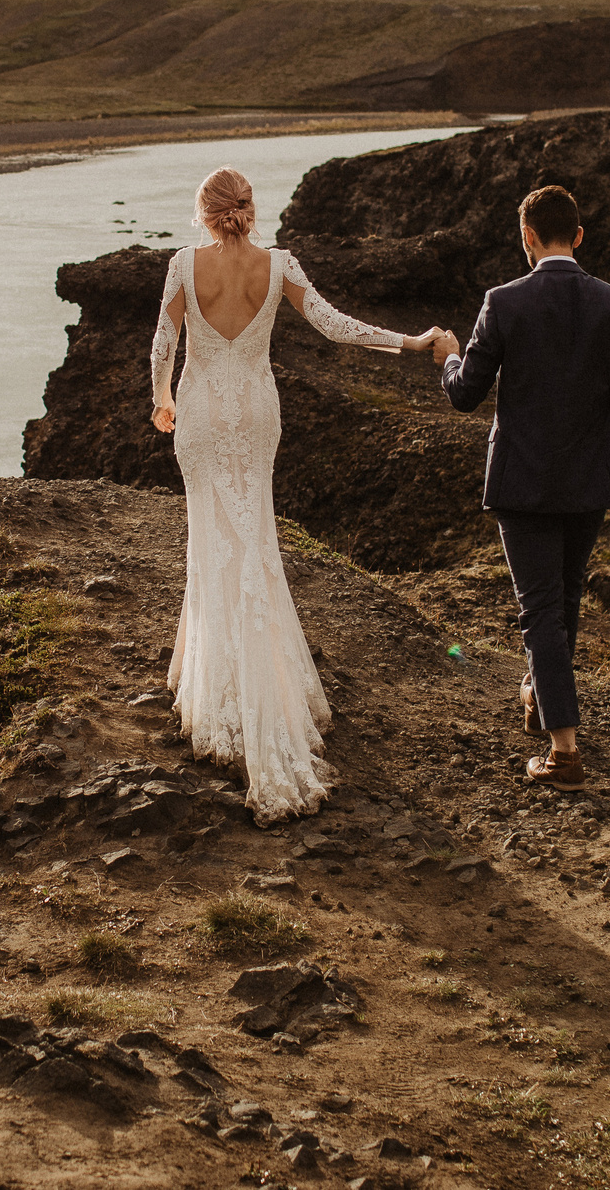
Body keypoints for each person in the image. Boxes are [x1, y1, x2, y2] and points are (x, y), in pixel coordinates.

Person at [150, 167, 440, 820]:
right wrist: (409, 342)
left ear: (204, 212)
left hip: (202, 418)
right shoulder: (279, 266)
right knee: (254, 542)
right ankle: (249, 687)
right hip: (256, 416)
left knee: (211, 541)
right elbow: (334, 325)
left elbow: (165, 341)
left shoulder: (182, 266)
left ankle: (221, 694)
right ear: (249, 208)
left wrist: (161, 396)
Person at [434, 184, 610, 788]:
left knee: (540, 609)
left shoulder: (502, 302)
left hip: (523, 481)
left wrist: (449, 358)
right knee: (563, 601)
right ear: (579, 236)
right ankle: (541, 697)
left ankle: (564, 754)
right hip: (590, 481)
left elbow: (465, 395)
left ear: (528, 239)